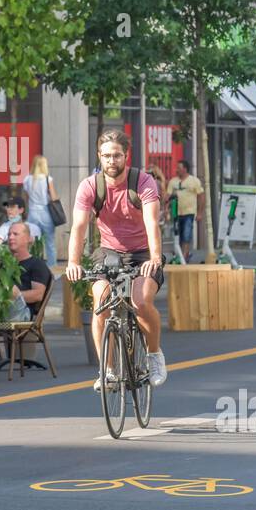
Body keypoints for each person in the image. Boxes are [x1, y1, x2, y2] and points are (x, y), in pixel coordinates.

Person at [66, 128, 167, 390]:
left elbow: (152, 222)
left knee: (141, 301)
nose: (112, 161)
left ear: (126, 156)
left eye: (117, 156)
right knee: (101, 303)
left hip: (142, 252)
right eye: (107, 156)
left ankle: (155, 355)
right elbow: (78, 227)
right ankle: (107, 370)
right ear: (99, 156)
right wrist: (73, 262)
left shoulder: (143, 182)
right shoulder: (90, 186)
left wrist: (155, 257)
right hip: (108, 251)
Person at [5, 222, 51, 323]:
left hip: (22, 312)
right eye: (9, 234)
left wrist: (10, 296)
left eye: (15, 234)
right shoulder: (4, 264)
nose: (11, 237)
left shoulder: (37, 264)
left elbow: (37, 295)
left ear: (28, 238)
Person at [22, 154, 59, 265]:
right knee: (50, 243)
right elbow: (53, 197)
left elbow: (26, 197)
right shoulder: (48, 179)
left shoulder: (27, 179)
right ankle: (52, 267)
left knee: (31, 241)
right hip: (46, 213)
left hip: (32, 213)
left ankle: (31, 264)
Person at [166, 159, 203, 262]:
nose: (176, 170)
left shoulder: (194, 181)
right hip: (176, 213)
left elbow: (201, 196)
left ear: (185, 169)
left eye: (179, 168)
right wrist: (166, 210)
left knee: (186, 234)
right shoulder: (173, 181)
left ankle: (184, 255)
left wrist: (200, 212)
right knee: (177, 235)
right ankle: (180, 255)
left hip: (189, 212)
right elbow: (167, 197)